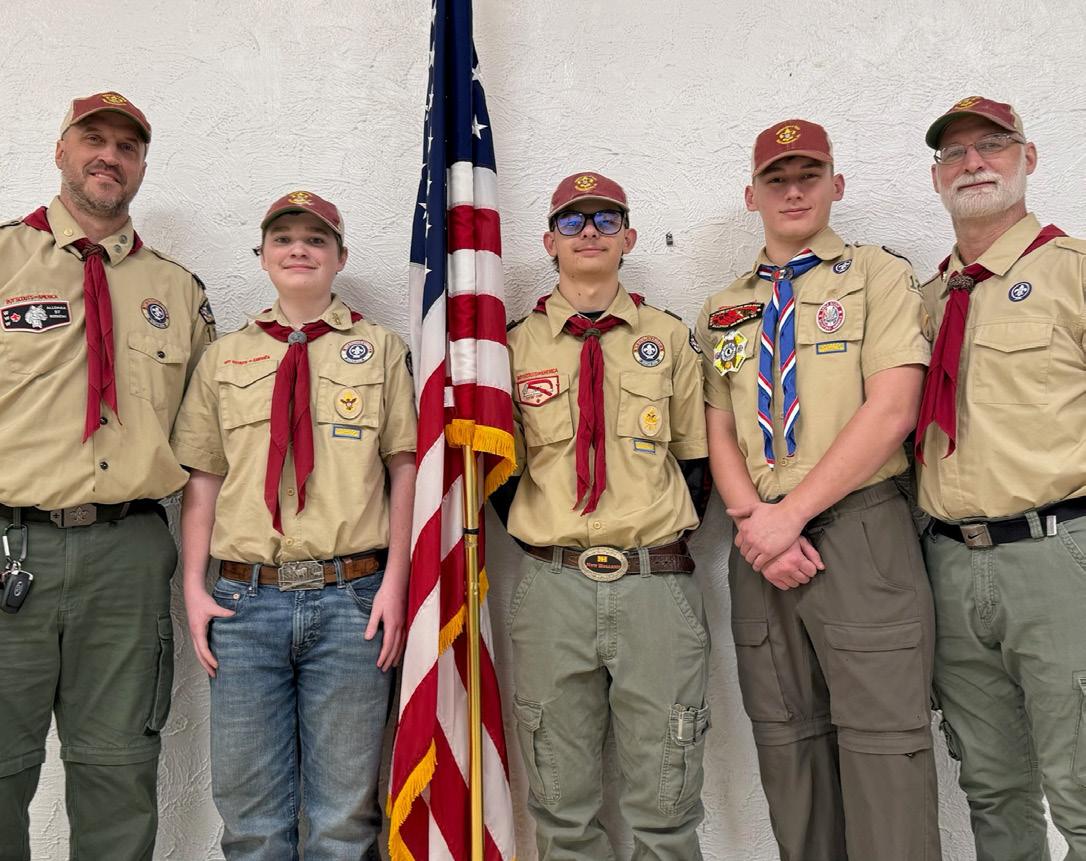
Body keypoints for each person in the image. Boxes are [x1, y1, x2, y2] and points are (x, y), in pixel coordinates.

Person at [695, 119, 940, 860]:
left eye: (809, 175)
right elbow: (719, 427)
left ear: (837, 184)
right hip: (760, 548)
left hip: (860, 531)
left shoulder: (876, 275)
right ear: (752, 196)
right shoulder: (724, 308)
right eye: (776, 179)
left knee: (884, 751)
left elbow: (893, 410)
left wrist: (790, 516)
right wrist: (755, 523)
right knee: (789, 750)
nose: (793, 190)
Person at [0, 91, 215, 861]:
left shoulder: (178, 292)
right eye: (93, 138)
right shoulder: (5, 260)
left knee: (118, 770)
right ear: (61, 150)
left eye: (127, 146)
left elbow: (207, 443)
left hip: (128, 553)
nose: (109, 156)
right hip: (10, 546)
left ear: (142, 165)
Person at [171, 190, 415, 860]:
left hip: (353, 599)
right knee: (252, 816)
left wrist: (397, 581)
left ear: (341, 256)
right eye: (283, 239)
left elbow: (403, 468)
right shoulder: (225, 358)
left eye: (315, 238)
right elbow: (203, 480)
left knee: (345, 815)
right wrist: (194, 588)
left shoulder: (380, 349)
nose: (299, 249)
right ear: (262, 256)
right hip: (244, 603)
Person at [496, 171, 711, 859]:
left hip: (654, 584)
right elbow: (503, 472)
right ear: (549, 242)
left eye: (605, 219)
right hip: (552, 585)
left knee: (667, 798)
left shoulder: (667, 337)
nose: (588, 232)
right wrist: (552, 533)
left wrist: (645, 532)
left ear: (629, 237)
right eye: (572, 220)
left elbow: (696, 462)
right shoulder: (512, 347)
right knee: (560, 802)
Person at [916, 95, 1086, 861]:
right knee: (992, 787)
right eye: (955, 153)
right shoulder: (926, 302)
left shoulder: (1072, 272)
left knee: (1081, 788)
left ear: (1029, 158)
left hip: (1058, 556)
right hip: (951, 563)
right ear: (936, 177)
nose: (974, 163)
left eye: (992, 144)